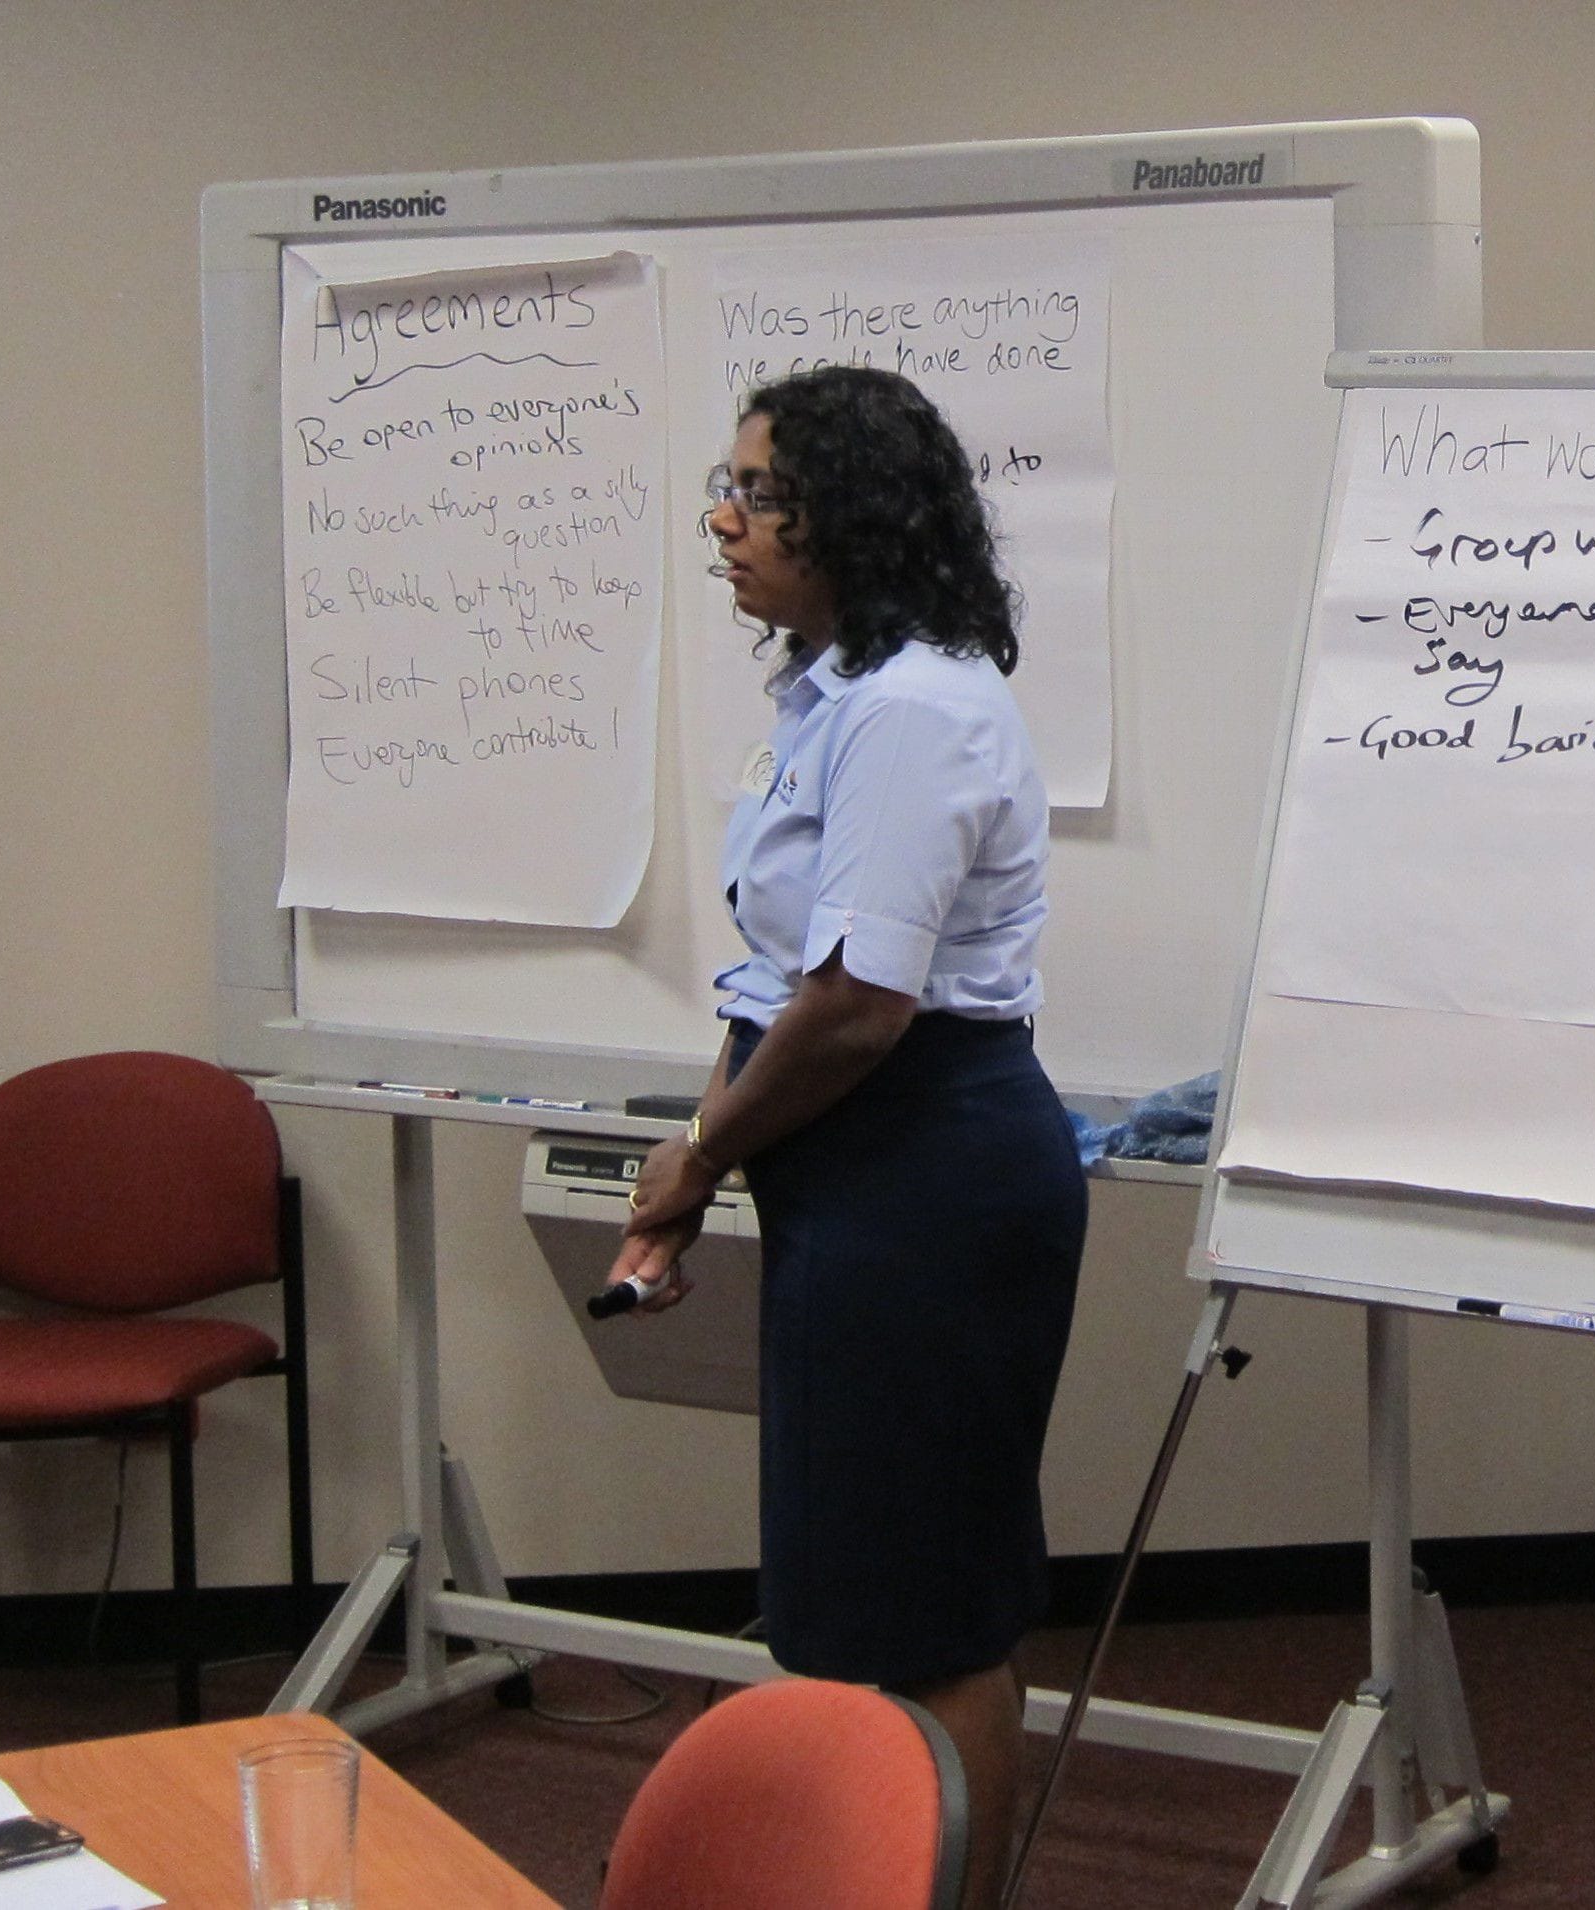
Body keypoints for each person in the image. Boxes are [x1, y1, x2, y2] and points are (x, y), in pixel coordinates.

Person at [608, 364, 1087, 1910]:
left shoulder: (915, 709)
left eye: (758, 493)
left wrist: (696, 1159)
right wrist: (705, 1159)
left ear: (854, 515)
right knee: (857, 1595)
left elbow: (857, 1006)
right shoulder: (829, 695)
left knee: (925, 1616)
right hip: (857, 1170)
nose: (722, 519)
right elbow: (777, 980)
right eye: (726, 484)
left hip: (927, 1176)